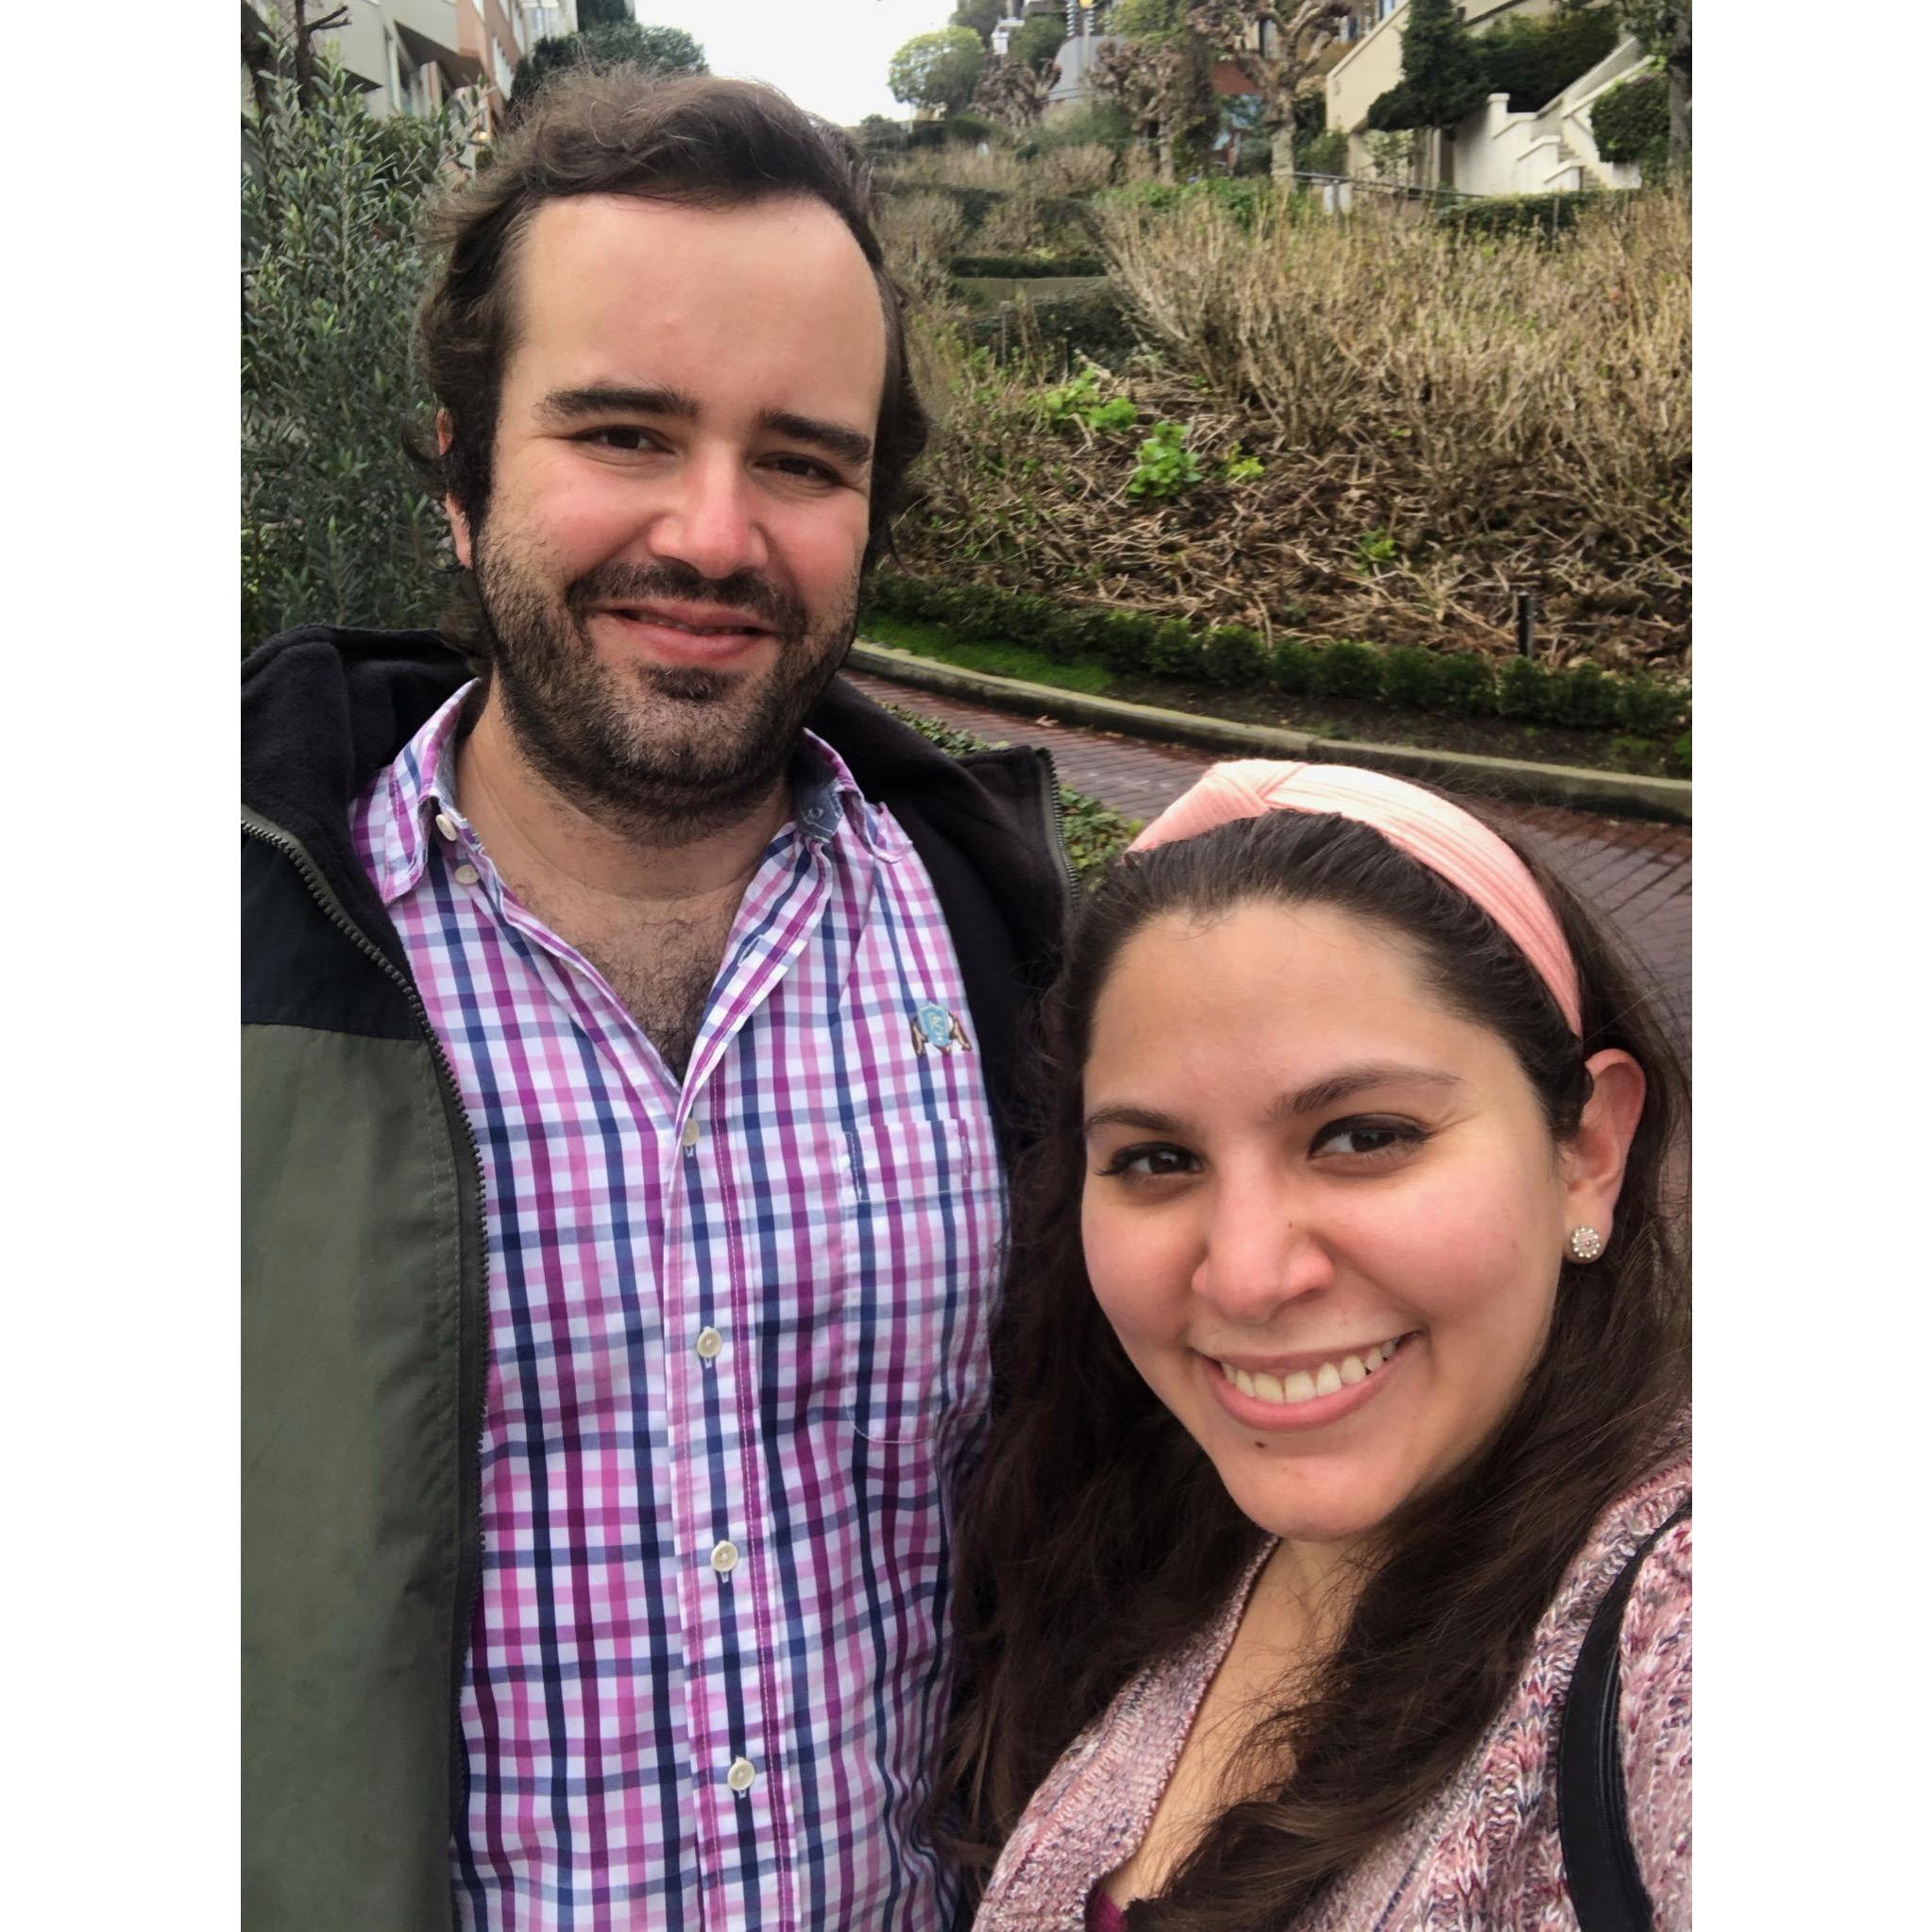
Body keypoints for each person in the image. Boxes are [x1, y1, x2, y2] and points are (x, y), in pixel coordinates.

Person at [240, 71, 1069, 1931]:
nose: (712, 534)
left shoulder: (1006, 955)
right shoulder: (235, 967)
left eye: (802, 460)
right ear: (458, 477)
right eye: (622, 431)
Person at [939, 760, 1691, 1931]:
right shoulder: (1152, 1529)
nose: (1246, 1277)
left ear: (1589, 1148)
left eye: (1363, 1136)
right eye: (1157, 1159)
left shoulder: (1677, 1617)